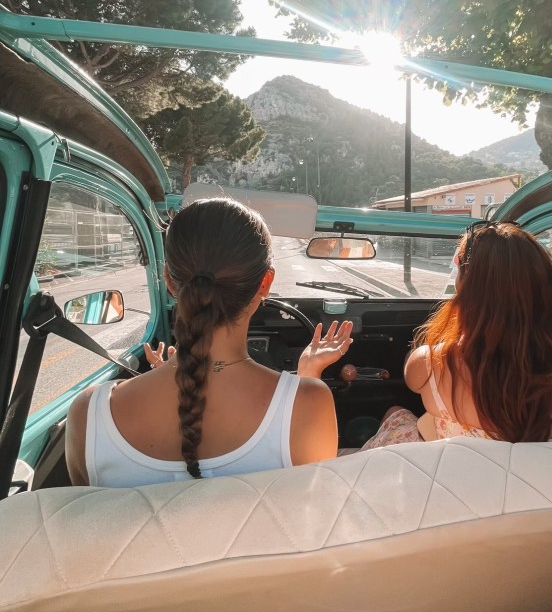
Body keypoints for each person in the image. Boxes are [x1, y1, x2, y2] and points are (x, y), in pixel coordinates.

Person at [65, 198, 352, 487]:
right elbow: (314, 514)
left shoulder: (88, 414)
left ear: (169, 280)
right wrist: (306, 376)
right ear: (265, 282)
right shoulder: (309, 403)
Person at [362, 221, 552, 450]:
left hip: (465, 491)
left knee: (396, 413)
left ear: (464, 288)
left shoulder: (431, 363)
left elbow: (411, 378)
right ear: (546, 287)